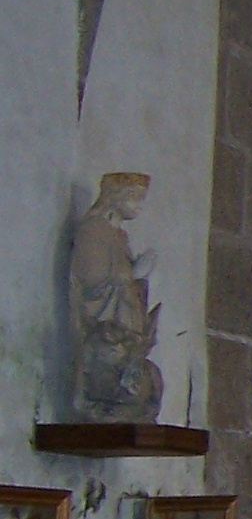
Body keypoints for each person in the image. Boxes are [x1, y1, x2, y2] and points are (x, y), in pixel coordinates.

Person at [70, 172, 162, 422]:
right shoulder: (94, 230)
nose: (139, 206)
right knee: (120, 379)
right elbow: (93, 282)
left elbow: (124, 283)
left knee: (145, 380)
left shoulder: (120, 237)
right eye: (134, 198)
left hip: (125, 334)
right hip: (106, 335)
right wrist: (135, 273)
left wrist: (138, 277)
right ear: (115, 197)